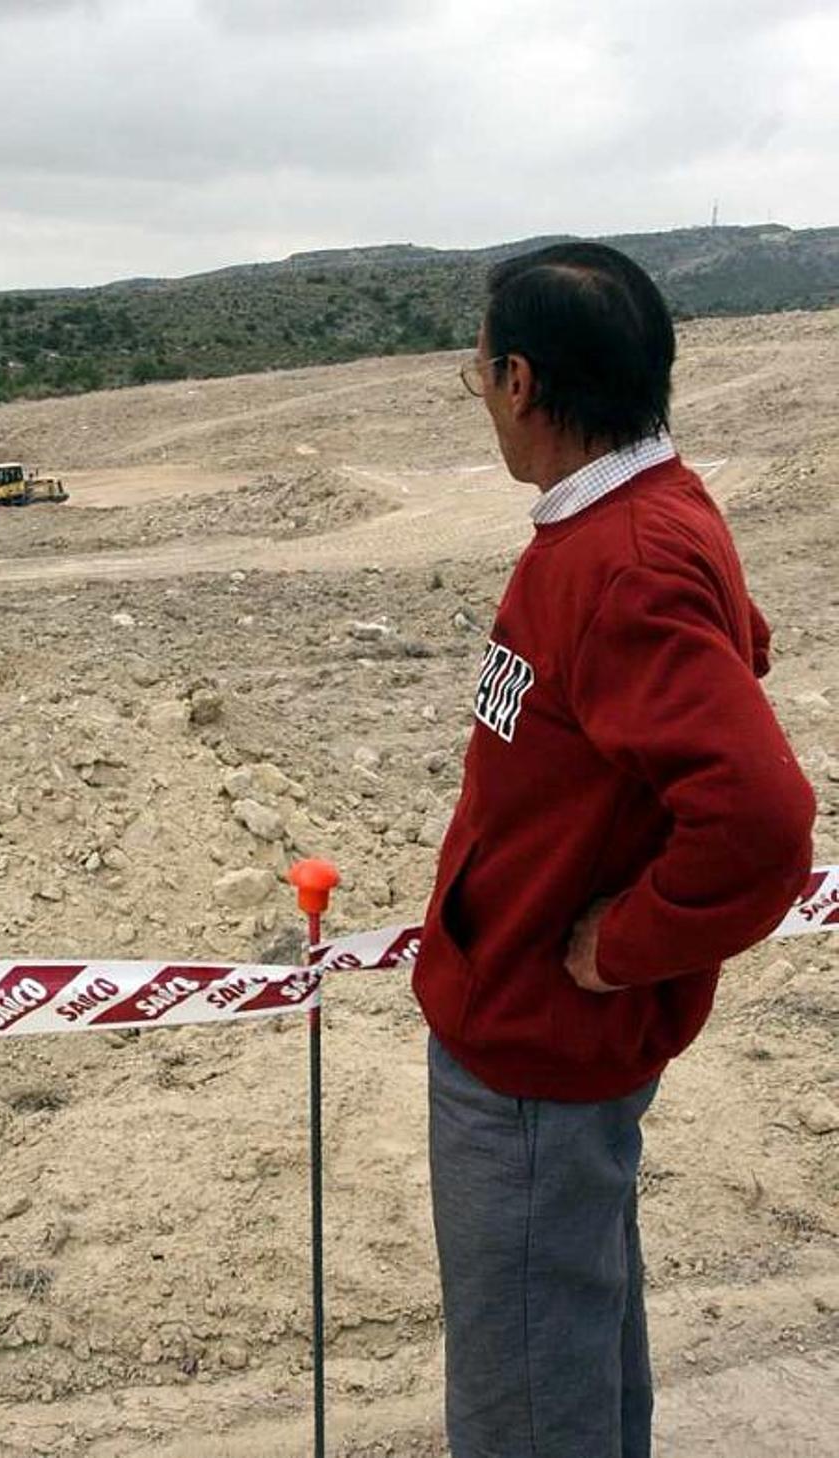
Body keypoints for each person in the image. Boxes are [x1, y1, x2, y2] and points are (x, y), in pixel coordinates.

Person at [414, 241, 815, 1458]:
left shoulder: (625, 560)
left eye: (479, 372)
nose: (482, 396)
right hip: (538, 1045)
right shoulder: (638, 515)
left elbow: (761, 823)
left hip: (533, 1058)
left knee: (528, 1405)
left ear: (522, 381)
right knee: (571, 1360)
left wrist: (625, 946)